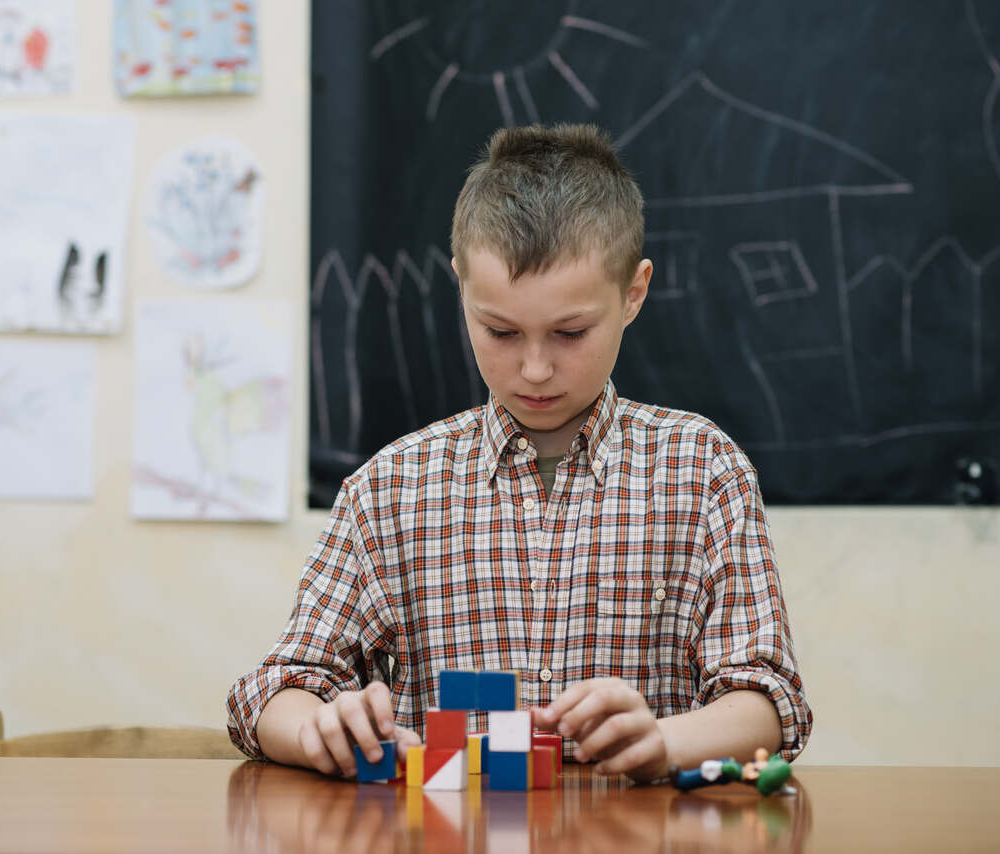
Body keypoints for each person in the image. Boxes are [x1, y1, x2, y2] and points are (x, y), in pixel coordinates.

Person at [226, 123, 811, 783]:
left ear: (634, 293)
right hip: (447, 829)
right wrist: (319, 726)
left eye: (570, 332)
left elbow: (768, 702)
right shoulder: (388, 491)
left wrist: (665, 739)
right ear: (462, 290)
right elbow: (269, 693)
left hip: (642, 831)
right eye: (500, 330)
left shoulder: (705, 472)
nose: (534, 369)